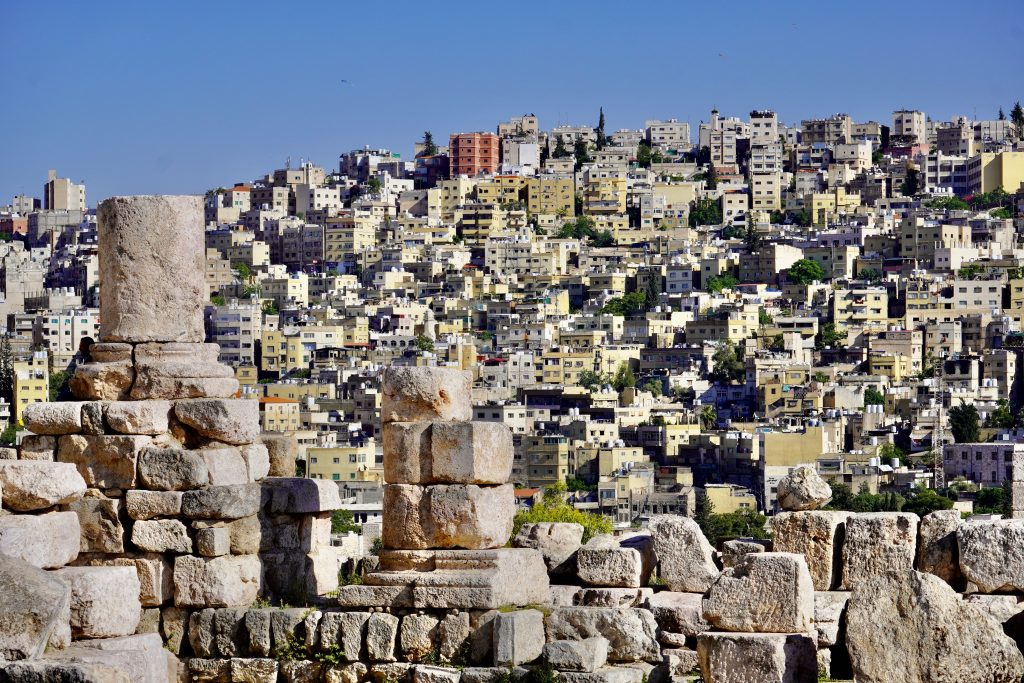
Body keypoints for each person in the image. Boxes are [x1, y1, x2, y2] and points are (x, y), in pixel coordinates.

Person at [55, 336, 93, 400]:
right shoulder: (85, 359)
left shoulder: (90, 360)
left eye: (82, 346)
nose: (80, 348)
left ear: (88, 347)